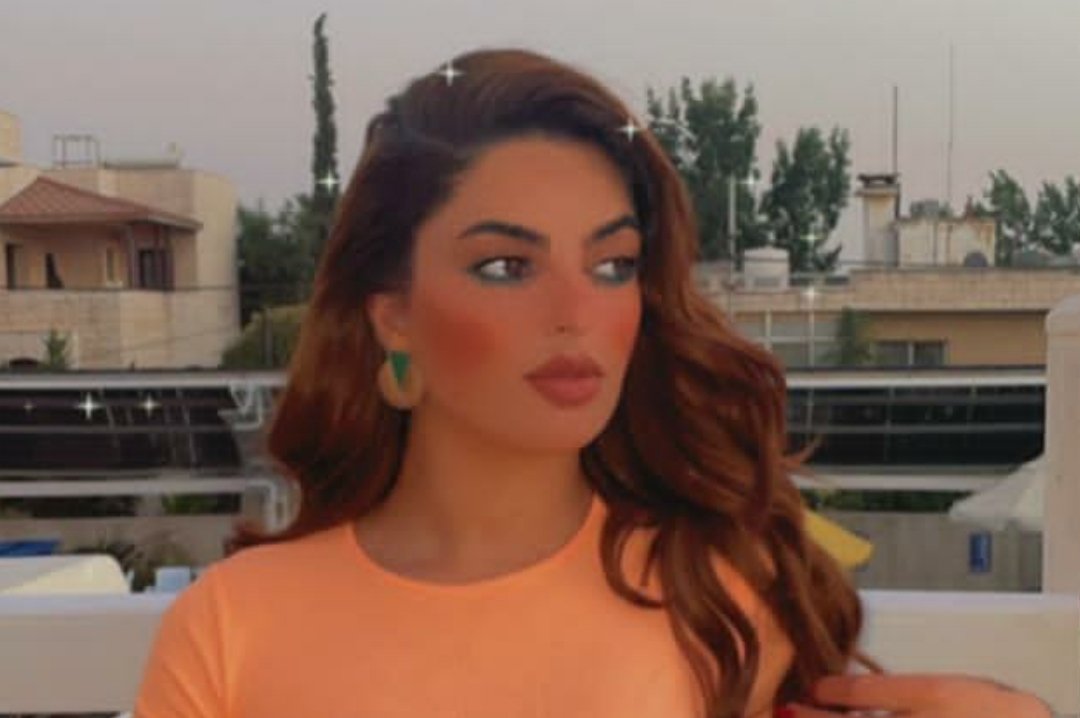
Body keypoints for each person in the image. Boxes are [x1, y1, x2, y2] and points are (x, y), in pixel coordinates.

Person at [133, 47, 1052, 718]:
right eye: (506, 266)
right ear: (394, 316)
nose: (577, 311)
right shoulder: (233, 627)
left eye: (613, 265)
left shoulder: (723, 595)